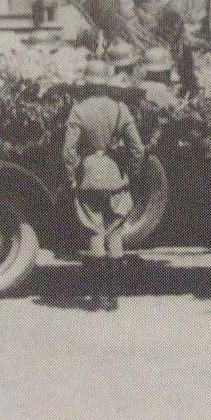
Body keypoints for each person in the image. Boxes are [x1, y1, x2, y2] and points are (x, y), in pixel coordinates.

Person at [63, 59, 145, 311]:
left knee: (95, 234)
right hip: (115, 177)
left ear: (87, 83)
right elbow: (137, 149)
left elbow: (68, 151)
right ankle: (113, 297)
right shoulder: (121, 109)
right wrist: (130, 173)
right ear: (107, 83)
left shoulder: (78, 110)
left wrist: (74, 176)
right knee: (115, 234)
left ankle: (97, 298)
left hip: (89, 176)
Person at [139, 46, 181, 110]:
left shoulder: (141, 86)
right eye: (167, 71)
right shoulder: (161, 88)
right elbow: (177, 108)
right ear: (162, 72)